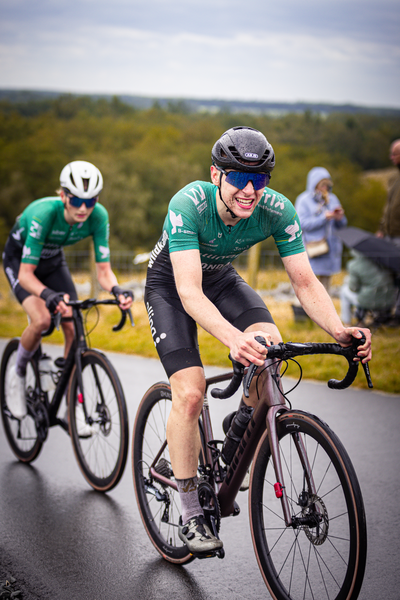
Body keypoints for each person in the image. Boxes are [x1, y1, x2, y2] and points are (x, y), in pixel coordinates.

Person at [144, 126, 372, 555]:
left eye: (260, 180)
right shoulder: (187, 205)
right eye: (238, 179)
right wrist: (232, 338)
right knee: (191, 392)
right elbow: (189, 292)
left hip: (224, 280)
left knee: (270, 346)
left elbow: (304, 281)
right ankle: (191, 510)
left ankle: (240, 426)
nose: (249, 191)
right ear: (216, 175)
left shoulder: (277, 209)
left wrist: (340, 331)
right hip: (172, 287)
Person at [3, 160, 133, 420]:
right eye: (76, 200)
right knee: (40, 319)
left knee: (72, 325)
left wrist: (117, 289)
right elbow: (26, 276)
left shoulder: (99, 217)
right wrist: (48, 295)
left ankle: (71, 403)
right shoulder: (43, 214)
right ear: (62, 195)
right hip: (21, 263)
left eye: (91, 200)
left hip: (52, 262)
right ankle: (15, 374)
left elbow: (103, 271)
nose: (84, 208)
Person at [295, 167, 347, 295]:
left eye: (327, 184)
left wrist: (339, 218)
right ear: (314, 183)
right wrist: (324, 218)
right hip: (313, 249)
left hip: (330, 250)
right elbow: (301, 224)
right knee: (308, 285)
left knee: (325, 289)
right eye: (322, 184)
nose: (325, 187)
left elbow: (343, 224)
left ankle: (323, 314)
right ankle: (303, 313)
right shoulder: (304, 200)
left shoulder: (333, 199)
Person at [376, 139, 400, 324]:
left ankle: (398, 314)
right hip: (389, 235)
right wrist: (382, 228)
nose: (391, 157)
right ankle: (385, 311)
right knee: (386, 273)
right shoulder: (394, 178)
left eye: (395, 154)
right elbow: (388, 207)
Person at [340, 251, 396, 326]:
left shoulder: (355, 265)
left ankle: (347, 323)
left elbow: (353, 288)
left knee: (344, 290)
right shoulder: (386, 261)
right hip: (388, 300)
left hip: (368, 301)